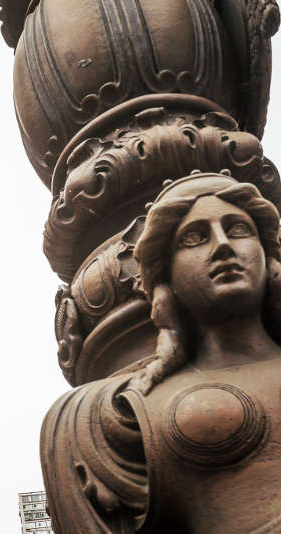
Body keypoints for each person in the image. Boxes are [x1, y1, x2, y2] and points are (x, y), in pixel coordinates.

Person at [42, 171, 281, 533]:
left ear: (267, 255)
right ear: (164, 274)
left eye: (238, 230)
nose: (222, 246)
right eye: (195, 237)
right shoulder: (94, 418)